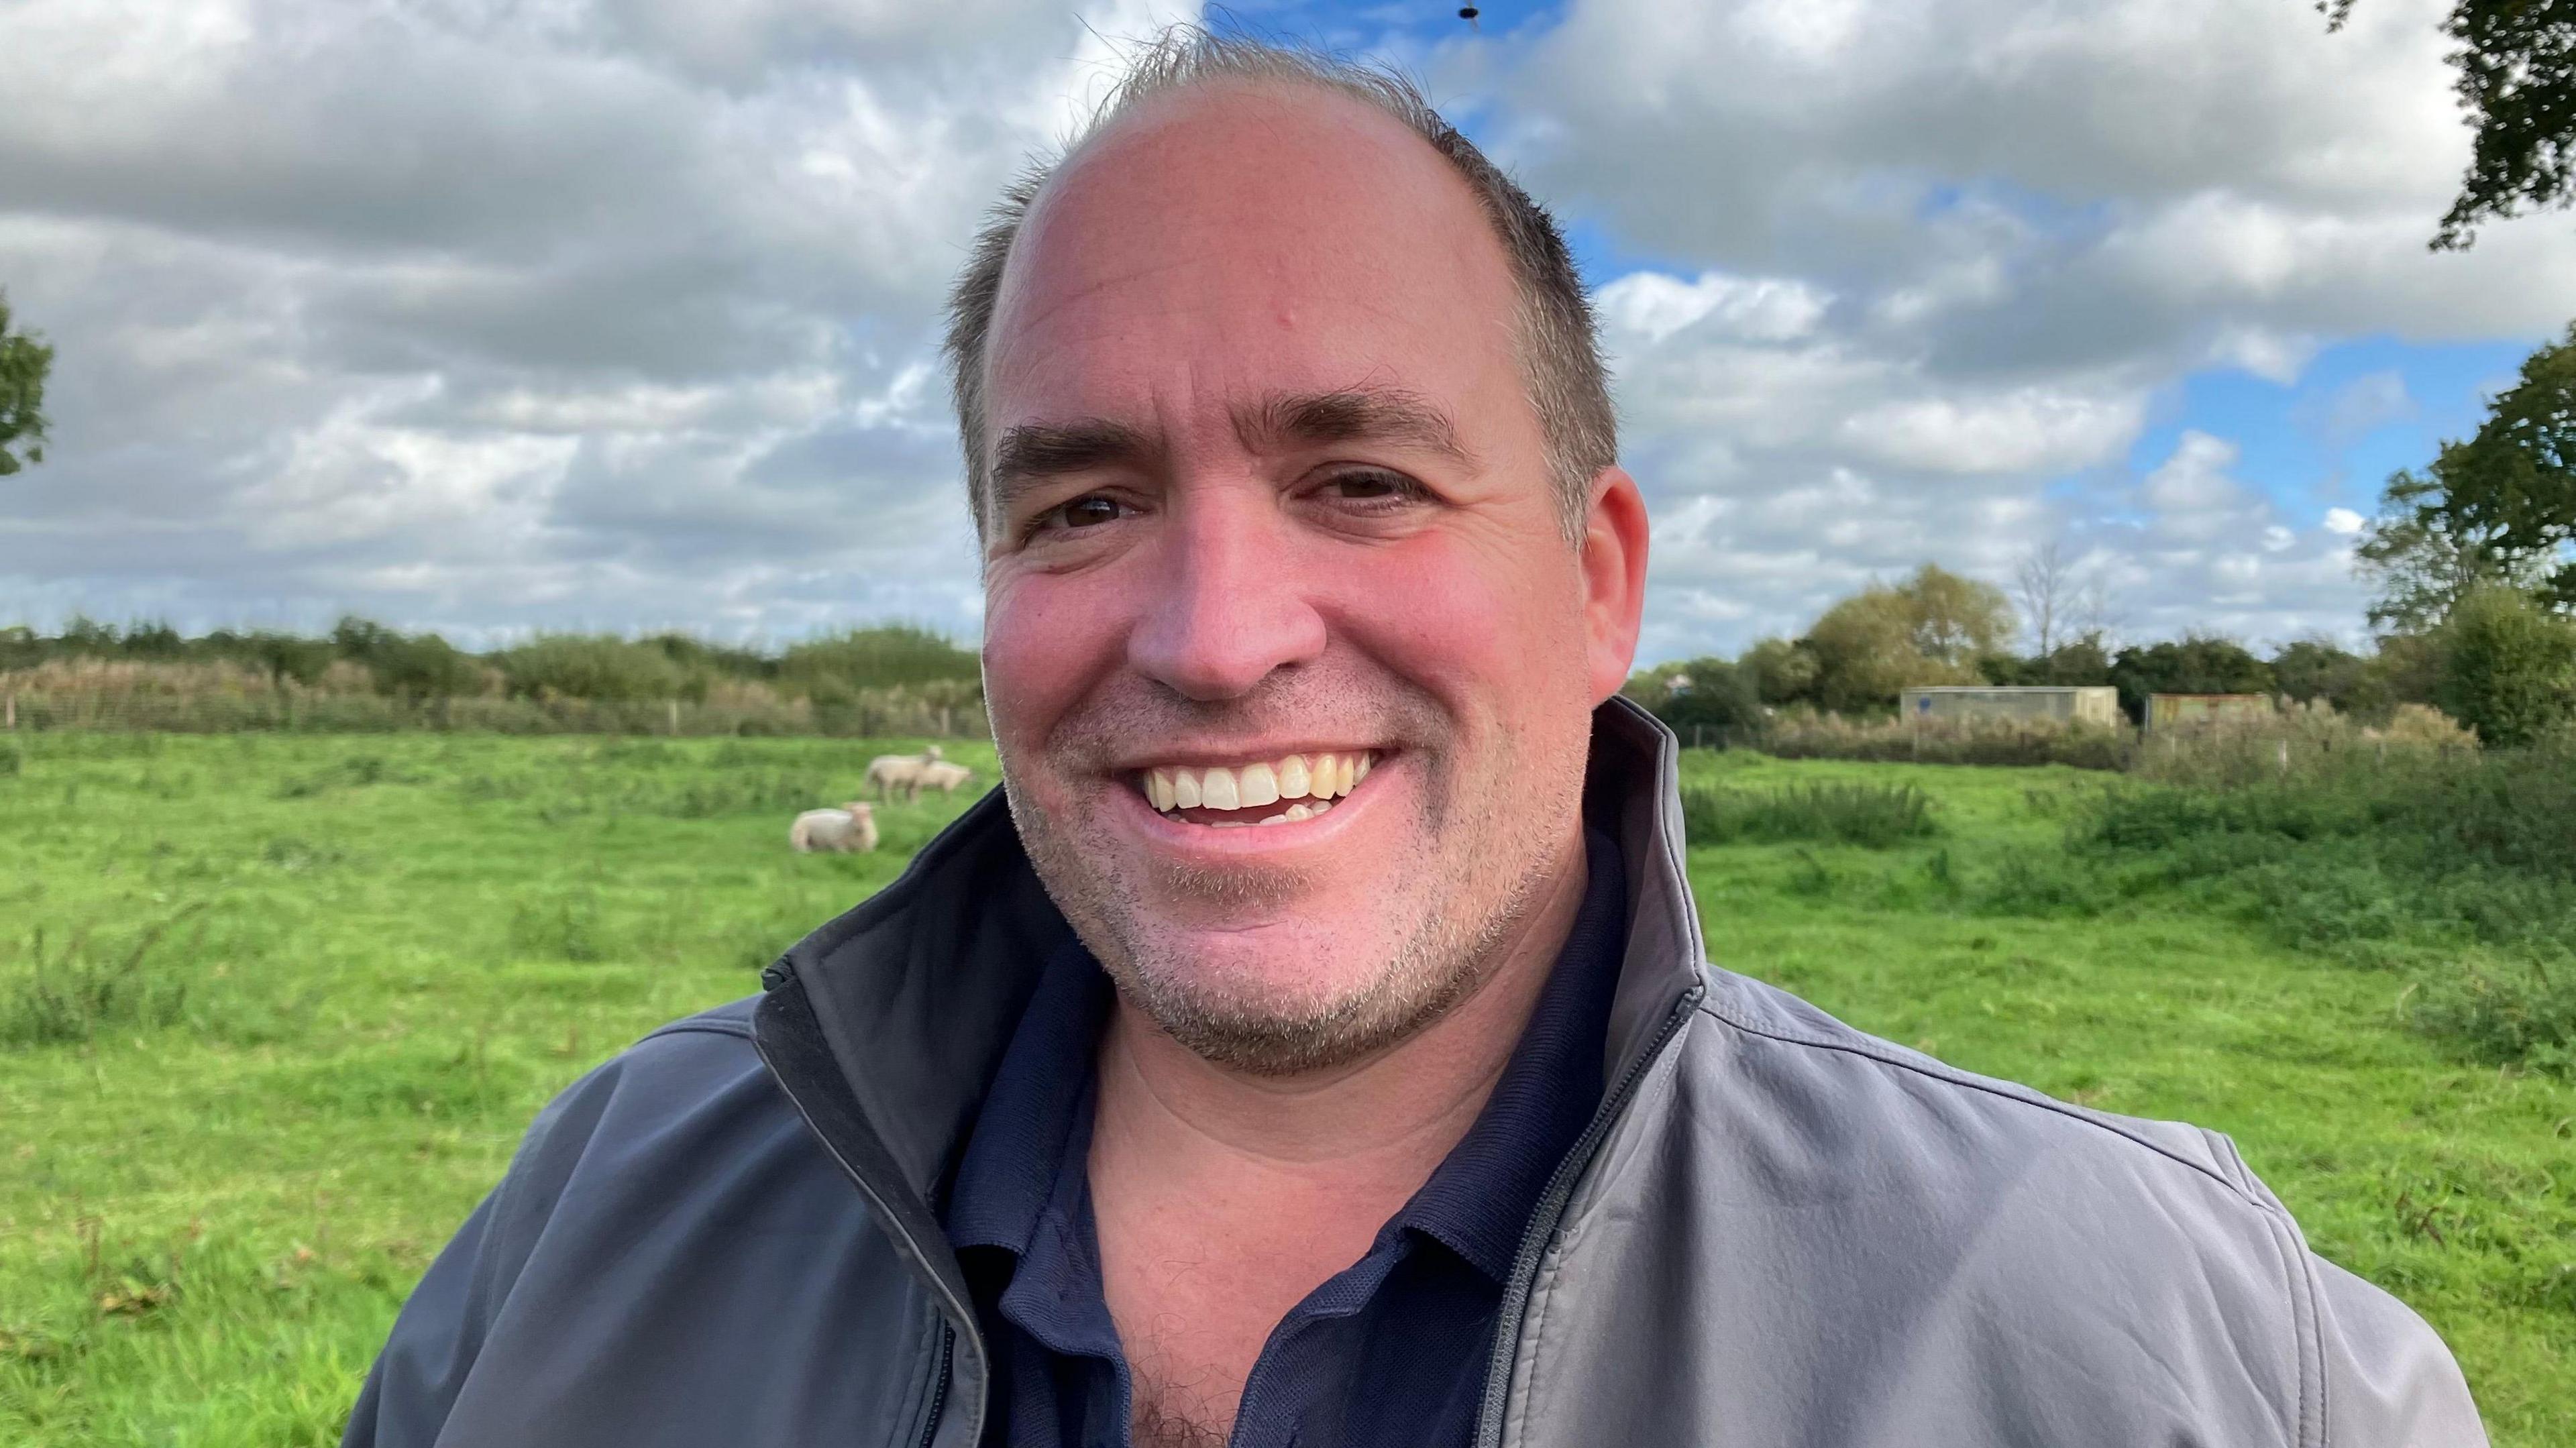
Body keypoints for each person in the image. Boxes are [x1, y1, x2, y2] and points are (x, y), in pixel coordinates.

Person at [343, 30, 2486, 1448]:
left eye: (1362, 478)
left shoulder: (2158, 1347)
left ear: (1600, 584)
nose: (1208, 637)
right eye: (1081, 504)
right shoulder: (600, 1220)